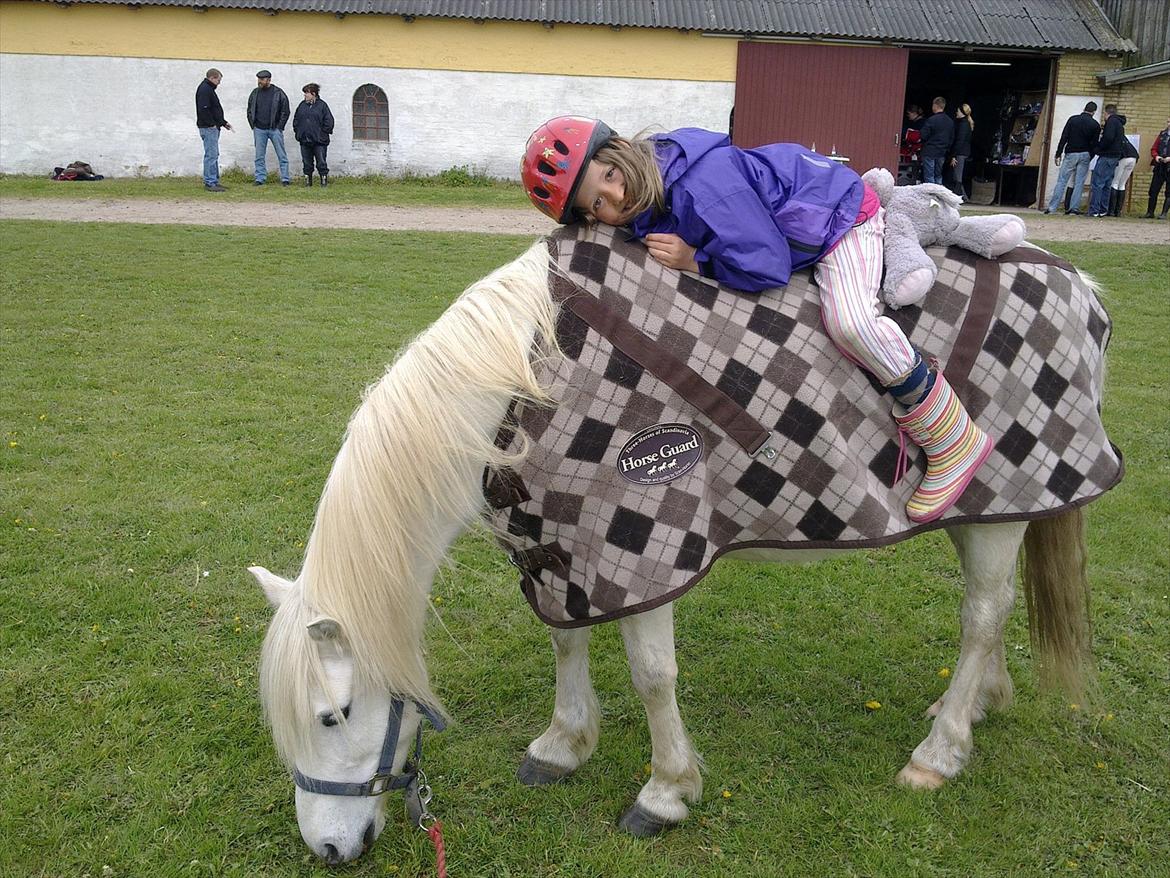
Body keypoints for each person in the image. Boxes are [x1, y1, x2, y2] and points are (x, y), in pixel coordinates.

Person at [521, 116, 994, 524]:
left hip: (840, 220)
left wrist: (696, 260)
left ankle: (953, 435)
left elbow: (767, 265)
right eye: (597, 203)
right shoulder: (654, 185)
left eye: (609, 174)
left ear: (622, 148)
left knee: (852, 323)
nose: (615, 195)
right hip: (801, 222)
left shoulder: (704, 188)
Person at [1044, 102, 1100, 215]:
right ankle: (1074, 209)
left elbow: (1064, 137)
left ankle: (1052, 208)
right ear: (1094, 112)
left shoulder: (1073, 120)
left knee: (1062, 181)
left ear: (1084, 108)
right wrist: (1090, 155)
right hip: (1085, 154)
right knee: (1079, 183)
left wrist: (1058, 153)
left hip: (1071, 153)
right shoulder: (1095, 125)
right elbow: (1094, 144)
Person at [247, 69, 291, 186]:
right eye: (259, 79)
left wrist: (279, 127)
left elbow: (285, 111)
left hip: (275, 129)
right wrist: (253, 125)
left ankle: (285, 179)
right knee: (259, 156)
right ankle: (260, 178)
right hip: (259, 129)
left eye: (262, 79)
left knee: (281, 155)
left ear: (269, 80)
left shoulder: (278, 93)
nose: (260, 81)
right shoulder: (255, 93)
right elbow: (250, 110)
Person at [195, 68, 232, 192]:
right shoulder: (205, 90)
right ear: (212, 78)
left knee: (214, 154)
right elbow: (204, 109)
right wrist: (211, 124)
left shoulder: (208, 89)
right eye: (218, 80)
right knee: (211, 155)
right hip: (208, 128)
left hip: (211, 127)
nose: (219, 83)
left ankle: (214, 181)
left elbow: (214, 110)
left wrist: (223, 122)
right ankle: (210, 182)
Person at [293, 83, 334, 187]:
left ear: (313, 94)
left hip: (319, 141)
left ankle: (323, 180)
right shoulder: (302, 105)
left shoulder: (322, 106)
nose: (305, 95)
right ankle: (308, 181)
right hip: (304, 140)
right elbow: (296, 120)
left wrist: (322, 133)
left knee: (321, 162)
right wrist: (298, 132)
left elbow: (329, 121)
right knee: (307, 162)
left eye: (307, 93)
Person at [1088, 104, 1125, 217]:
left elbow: (1108, 138)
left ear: (1106, 113)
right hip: (1115, 157)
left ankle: (1094, 210)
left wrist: (1099, 148)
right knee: (1107, 184)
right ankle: (1103, 209)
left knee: (1097, 183)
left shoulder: (1111, 122)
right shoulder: (1119, 123)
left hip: (1107, 156)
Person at [918, 97, 955, 186]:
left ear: (935, 105)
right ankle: (939, 193)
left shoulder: (931, 120)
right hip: (942, 152)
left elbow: (923, 135)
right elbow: (951, 138)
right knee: (938, 176)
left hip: (930, 151)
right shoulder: (950, 121)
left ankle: (931, 194)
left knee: (929, 176)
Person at [1143, 117, 1170, 219]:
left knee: (1169, 192)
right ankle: (1150, 212)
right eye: (1168, 121)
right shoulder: (1162, 134)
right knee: (1153, 189)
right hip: (1160, 165)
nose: (1169, 123)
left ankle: (1164, 213)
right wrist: (1156, 156)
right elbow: (1154, 148)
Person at [1107, 133, 1139, 216]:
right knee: (1122, 184)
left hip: (1123, 157)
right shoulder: (1124, 137)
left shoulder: (1112, 136)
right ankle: (1118, 211)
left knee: (1115, 182)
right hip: (1133, 157)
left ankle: (1111, 211)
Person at [949, 103, 974, 199]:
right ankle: (963, 196)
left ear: (962, 112)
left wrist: (953, 155)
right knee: (957, 175)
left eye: (958, 111)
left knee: (957, 176)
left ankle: (959, 196)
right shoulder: (966, 123)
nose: (956, 112)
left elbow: (960, 140)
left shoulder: (963, 125)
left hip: (960, 153)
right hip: (963, 152)